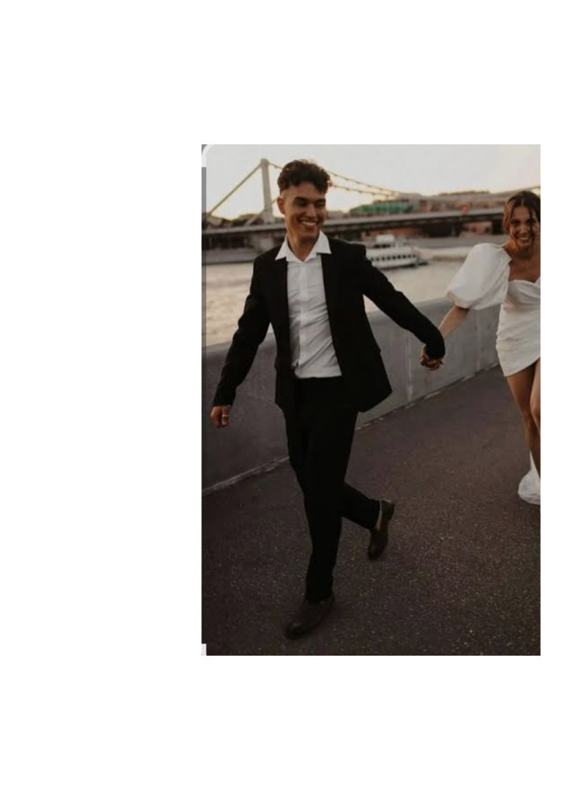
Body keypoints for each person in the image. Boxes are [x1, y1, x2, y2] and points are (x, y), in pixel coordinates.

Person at [210, 160, 445, 639]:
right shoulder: (267, 267)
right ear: (281, 204)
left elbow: (390, 299)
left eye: (320, 204)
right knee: (311, 480)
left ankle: (319, 592)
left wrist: (433, 337)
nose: (312, 213)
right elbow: (248, 333)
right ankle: (374, 512)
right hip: (295, 395)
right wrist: (225, 391)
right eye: (302, 203)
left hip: (339, 390)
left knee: (318, 496)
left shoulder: (346, 258)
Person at [422, 190, 541, 504]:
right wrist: (435, 341)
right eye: (515, 222)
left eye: (530, 221)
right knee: (529, 418)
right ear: (506, 224)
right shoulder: (495, 260)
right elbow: (462, 306)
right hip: (515, 338)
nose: (523, 229)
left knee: (541, 407)